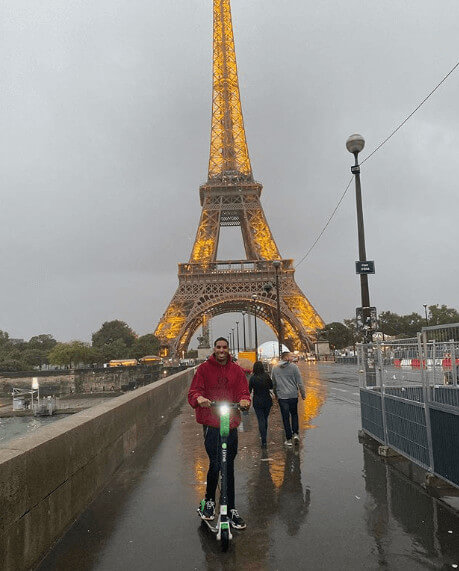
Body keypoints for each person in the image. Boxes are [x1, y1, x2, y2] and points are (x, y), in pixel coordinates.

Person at [188, 337, 251, 529]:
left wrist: (245, 400)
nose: (221, 350)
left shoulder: (237, 370)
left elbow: (243, 391)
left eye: (224, 347)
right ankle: (209, 501)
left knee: (228, 466)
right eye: (218, 347)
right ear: (214, 349)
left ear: (228, 349)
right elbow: (193, 392)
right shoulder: (204, 369)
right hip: (211, 423)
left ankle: (231, 508)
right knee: (216, 463)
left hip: (229, 422)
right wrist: (199, 398)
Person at [272, 351, 305, 446]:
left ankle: (289, 438)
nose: (293, 357)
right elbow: (300, 382)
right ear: (286, 357)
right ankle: (296, 433)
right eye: (291, 356)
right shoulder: (294, 367)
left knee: (285, 418)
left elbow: (274, 383)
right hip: (293, 395)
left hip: (282, 396)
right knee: (294, 414)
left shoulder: (275, 368)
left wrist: (275, 394)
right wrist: (303, 394)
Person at [249, 361, 273, 448]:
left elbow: (249, 390)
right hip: (267, 400)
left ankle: (263, 440)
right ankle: (264, 435)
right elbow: (271, 386)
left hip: (257, 401)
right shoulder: (266, 376)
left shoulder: (252, 378)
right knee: (265, 418)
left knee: (260, 420)